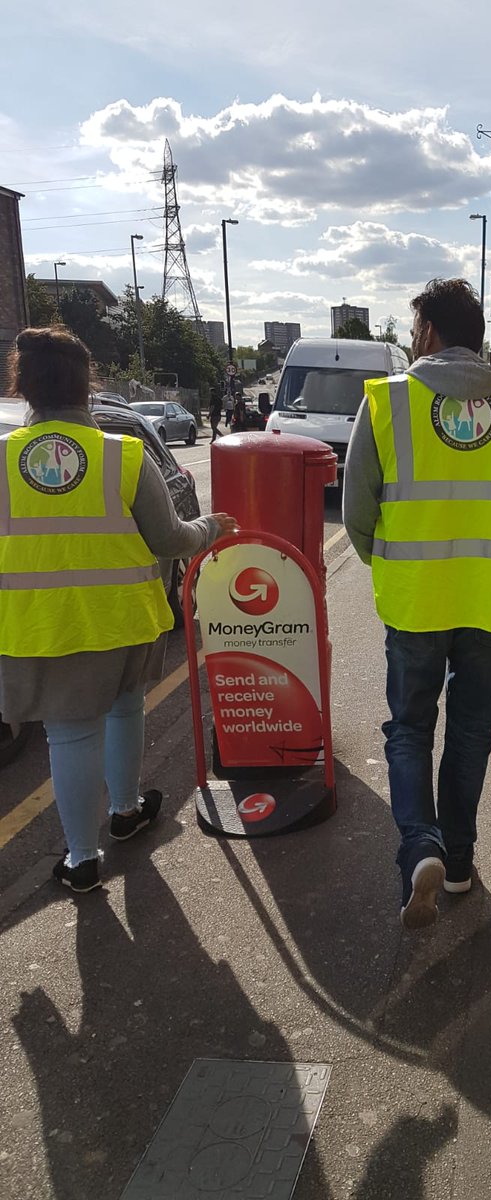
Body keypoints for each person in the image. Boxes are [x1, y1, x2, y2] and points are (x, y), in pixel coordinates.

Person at [344, 278, 491, 929]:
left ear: (430, 332)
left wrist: (395, 566)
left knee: (409, 728)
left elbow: (357, 512)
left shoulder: (388, 403)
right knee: (471, 732)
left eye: (414, 331)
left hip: (414, 601)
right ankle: (459, 862)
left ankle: (421, 848)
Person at [0, 327, 238, 893]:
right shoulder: (122, 455)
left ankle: (82, 861)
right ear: (88, 387)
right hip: (121, 617)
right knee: (126, 710)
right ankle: (127, 811)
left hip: (37, 623)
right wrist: (210, 528)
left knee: (68, 736)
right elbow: (169, 539)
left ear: (22, 386)